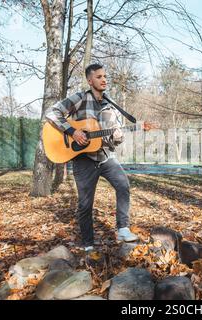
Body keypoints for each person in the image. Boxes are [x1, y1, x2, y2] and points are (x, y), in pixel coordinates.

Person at [44, 63, 139, 257]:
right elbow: (52, 112)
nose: (104, 79)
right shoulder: (80, 98)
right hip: (83, 160)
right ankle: (88, 242)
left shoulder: (111, 107)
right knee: (85, 204)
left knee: (123, 185)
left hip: (105, 157)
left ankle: (122, 229)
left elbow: (114, 138)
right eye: (99, 76)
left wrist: (119, 135)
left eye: (105, 76)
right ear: (90, 80)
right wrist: (73, 131)